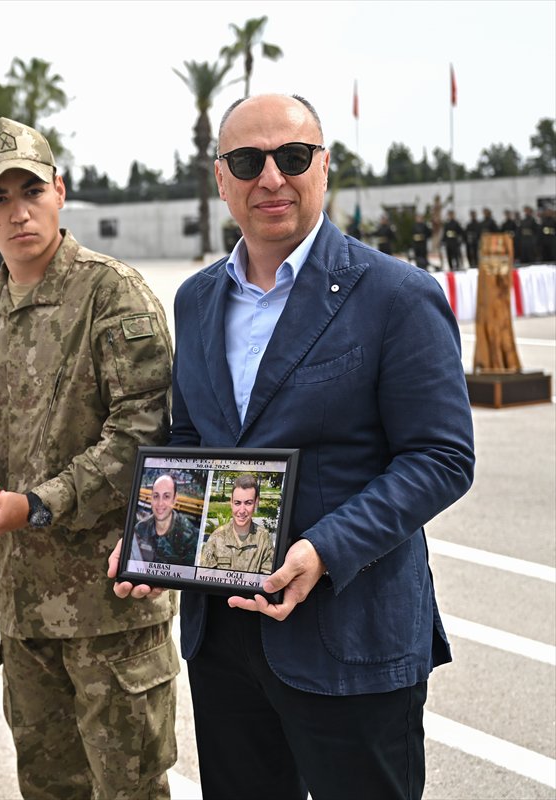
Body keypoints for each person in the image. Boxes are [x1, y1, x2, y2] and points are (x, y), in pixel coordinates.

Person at [110, 94, 474, 800]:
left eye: (293, 157)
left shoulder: (396, 294)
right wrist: (159, 538)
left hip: (349, 631)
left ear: (324, 167)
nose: (271, 178)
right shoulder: (197, 299)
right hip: (224, 641)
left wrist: (324, 550)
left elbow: (441, 457)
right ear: (222, 178)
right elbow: (192, 439)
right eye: (248, 161)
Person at [0, 117, 178, 799]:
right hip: (23, 607)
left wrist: (39, 504)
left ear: (60, 191)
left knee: (130, 790)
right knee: (48, 789)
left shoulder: (112, 293)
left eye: (32, 192)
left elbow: (143, 433)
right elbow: (3, 420)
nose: (18, 213)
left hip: (109, 610)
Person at [198, 474, 273, 574]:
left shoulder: (264, 539)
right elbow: (203, 577)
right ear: (231, 503)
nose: (242, 511)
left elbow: (268, 579)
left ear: (256, 503)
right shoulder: (216, 538)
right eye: (237, 503)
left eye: (248, 503)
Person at [129, 474, 199, 566]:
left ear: (174, 499)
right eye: (156, 496)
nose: (160, 503)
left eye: (166, 496)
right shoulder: (140, 529)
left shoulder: (189, 536)